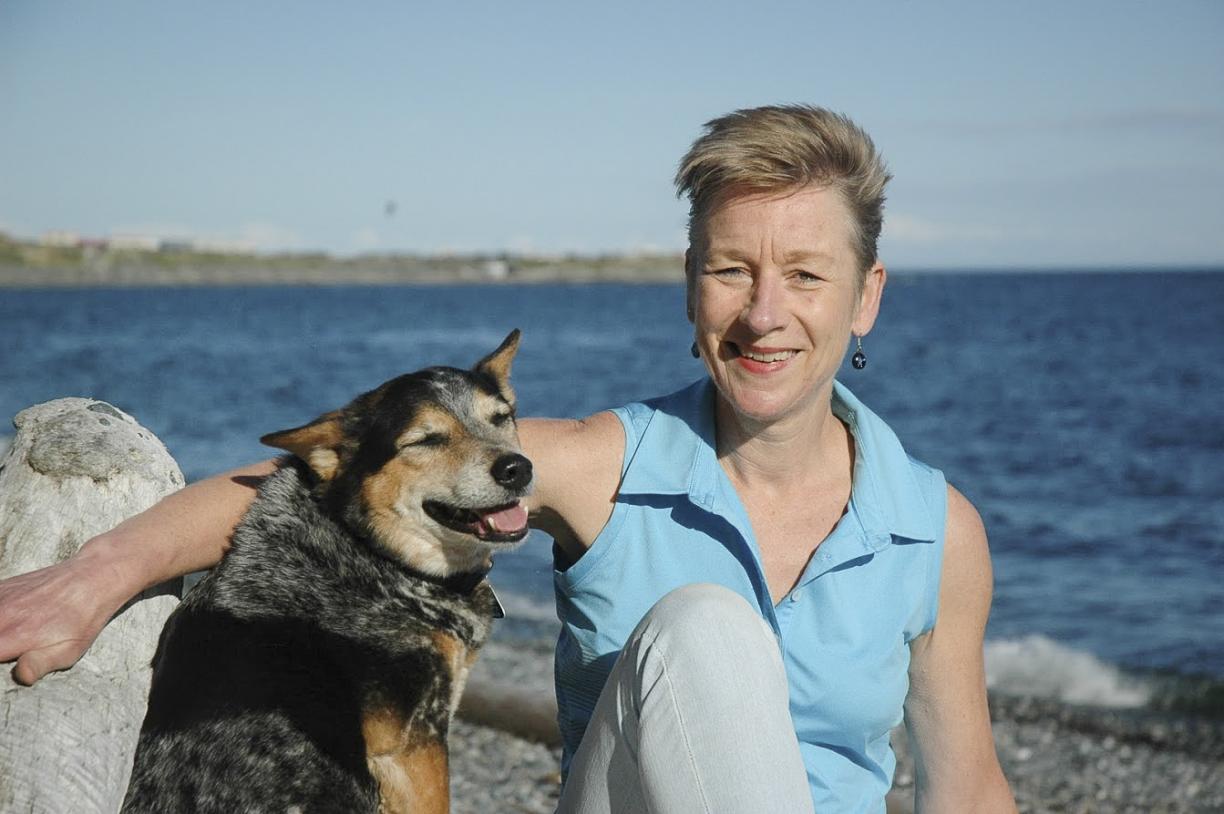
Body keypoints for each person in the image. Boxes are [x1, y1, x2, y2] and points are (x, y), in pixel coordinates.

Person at [0, 105, 1016, 812]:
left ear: (866, 296)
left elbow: (964, 790)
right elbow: (339, 478)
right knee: (707, 626)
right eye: (730, 269)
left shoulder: (936, 528)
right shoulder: (609, 463)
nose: (762, 313)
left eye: (804, 273)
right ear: (690, 286)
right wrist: (99, 572)